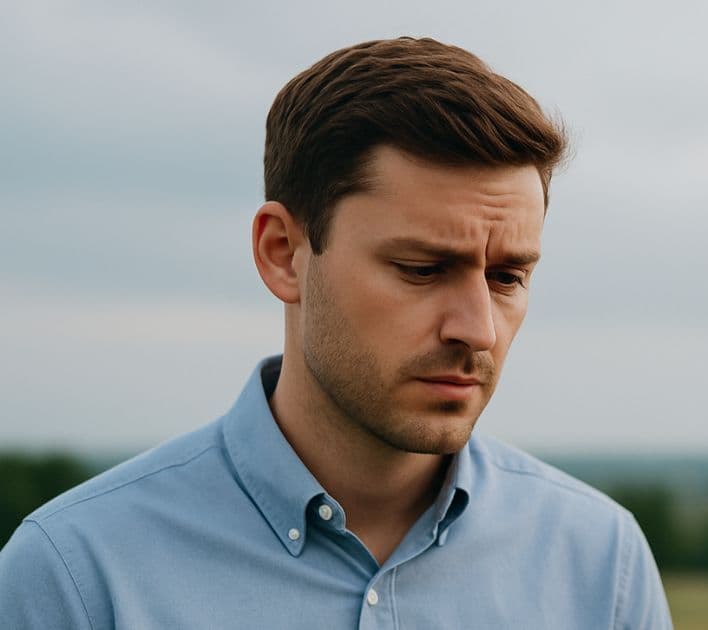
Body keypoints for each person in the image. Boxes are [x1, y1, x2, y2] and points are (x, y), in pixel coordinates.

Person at [0, 37, 672, 629]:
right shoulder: (75, 575)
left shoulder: (599, 563)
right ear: (283, 252)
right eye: (421, 268)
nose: (478, 329)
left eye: (507, 277)